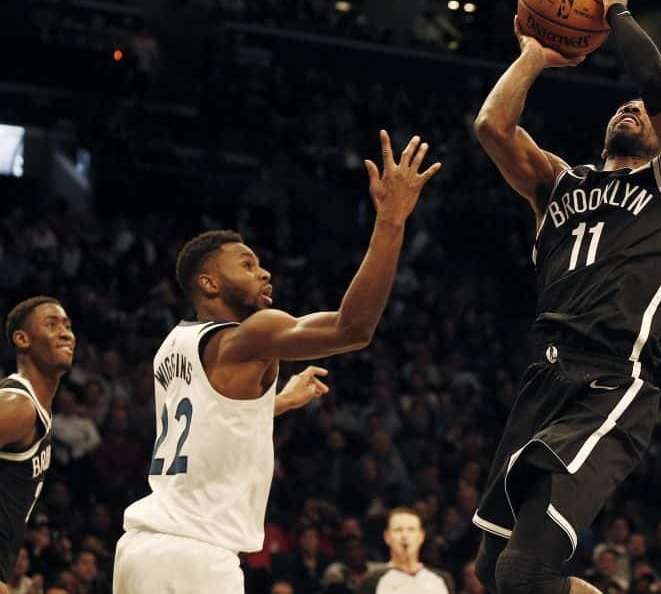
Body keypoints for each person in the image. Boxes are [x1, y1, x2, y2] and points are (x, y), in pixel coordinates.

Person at [472, 0, 661, 594]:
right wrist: (533, 55)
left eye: (642, 110)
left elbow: (657, 86)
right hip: (543, 374)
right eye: (623, 105)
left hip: (611, 380)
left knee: (527, 570)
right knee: (492, 570)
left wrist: (617, 13)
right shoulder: (560, 181)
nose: (632, 107)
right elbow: (491, 128)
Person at [112, 131, 441, 593]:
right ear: (208, 284)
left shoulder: (173, 345)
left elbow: (208, 426)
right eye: (246, 264)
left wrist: (277, 403)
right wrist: (390, 221)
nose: (263, 271)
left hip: (140, 550)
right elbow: (354, 328)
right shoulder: (256, 333)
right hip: (196, 556)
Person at [1, 297, 76, 594]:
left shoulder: (37, 410)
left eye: (68, 326)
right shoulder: (17, 405)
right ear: (22, 339)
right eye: (52, 324)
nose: (66, 333)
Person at [356, 507, 452, 594]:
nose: (405, 536)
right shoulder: (371, 582)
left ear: (421, 536)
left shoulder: (442, 579)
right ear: (387, 537)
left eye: (411, 529)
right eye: (398, 530)